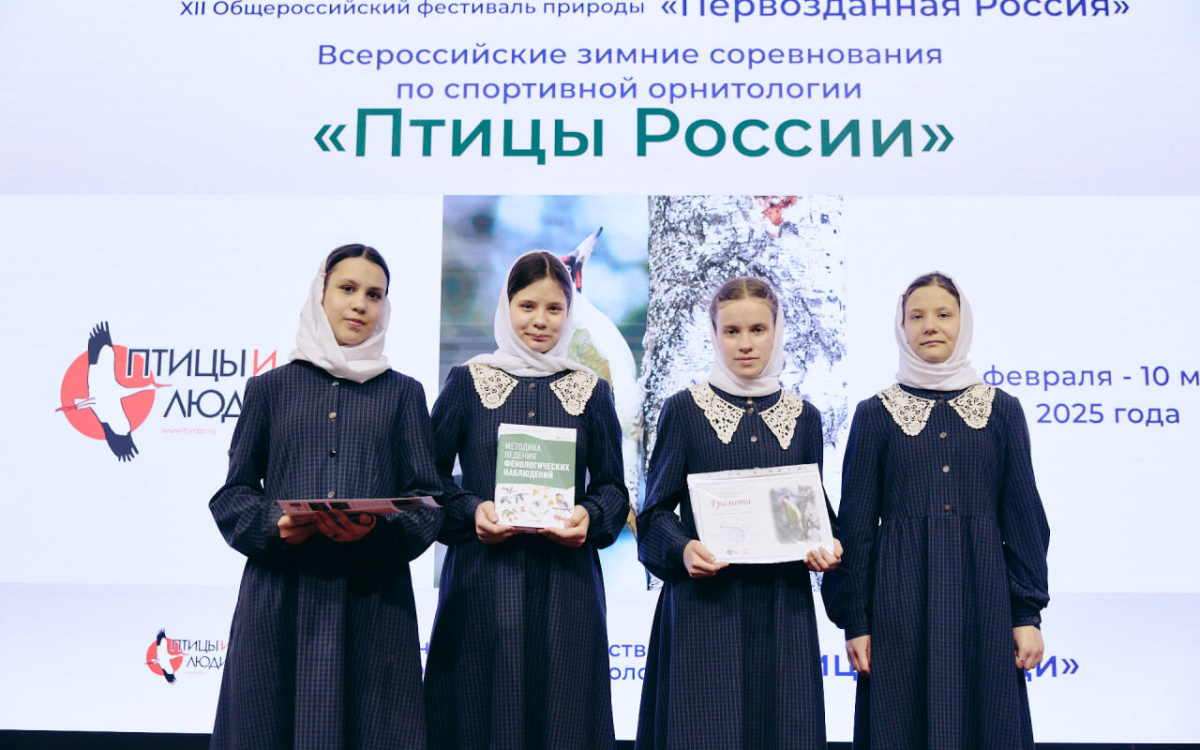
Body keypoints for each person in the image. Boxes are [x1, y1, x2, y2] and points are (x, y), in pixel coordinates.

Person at [209, 244, 443, 750]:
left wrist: (374, 528)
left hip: (373, 603)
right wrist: (274, 523)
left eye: (374, 295)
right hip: (280, 600)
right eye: (347, 289)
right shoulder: (269, 389)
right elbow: (233, 495)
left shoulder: (404, 394)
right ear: (320, 293)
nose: (360, 304)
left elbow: (428, 502)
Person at [825, 272, 1050, 750]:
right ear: (901, 326)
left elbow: (1025, 519)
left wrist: (1027, 614)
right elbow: (856, 529)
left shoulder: (1003, 411)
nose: (930, 325)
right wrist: (856, 622)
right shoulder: (874, 414)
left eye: (943, 314)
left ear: (963, 322)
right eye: (917, 316)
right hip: (898, 603)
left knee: (988, 724)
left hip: (984, 599)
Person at [424, 250, 628, 750]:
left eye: (554, 308)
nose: (540, 320)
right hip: (482, 584)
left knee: (564, 718)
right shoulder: (468, 382)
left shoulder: (591, 391)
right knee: (476, 715)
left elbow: (613, 489)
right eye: (527, 305)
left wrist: (589, 515)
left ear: (570, 312)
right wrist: (473, 511)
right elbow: (426, 481)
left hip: (567, 588)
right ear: (507, 305)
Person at [635, 277, 841, 750]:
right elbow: (653, 515)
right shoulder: (684, 411)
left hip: (782, 611)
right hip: (705, 610)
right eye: (732, 331)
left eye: (757, 329)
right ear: (714, 334)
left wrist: (830, 545)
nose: (745, 343)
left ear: (777, 331)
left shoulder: (804, 418)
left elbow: (811, 511)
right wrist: (683, 548)